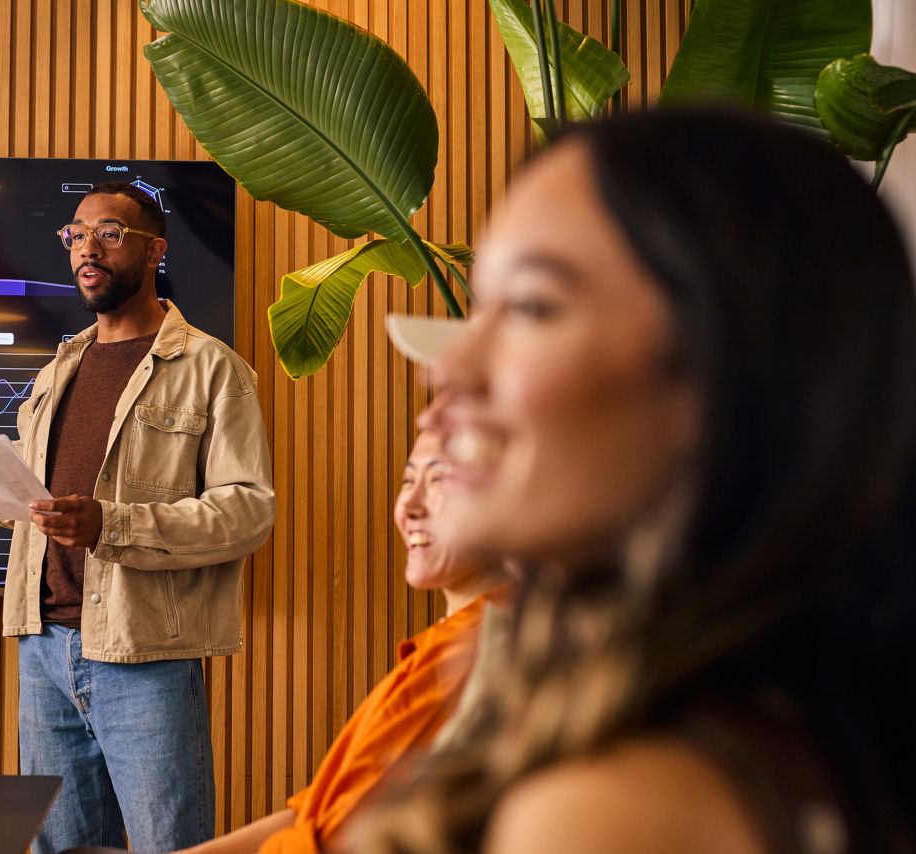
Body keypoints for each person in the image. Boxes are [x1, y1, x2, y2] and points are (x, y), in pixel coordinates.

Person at [368, 109, 916, 853]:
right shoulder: (797, 725)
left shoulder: (606, 813)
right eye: (479, 308)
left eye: (531, 306)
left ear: (719, 370)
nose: (449, 367)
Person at [0, 181, 276, 854]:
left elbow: (249, 513)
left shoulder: (212, 368)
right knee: (60, 847)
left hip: (144, 657)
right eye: (75, 233)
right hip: (43, 651)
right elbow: (9, 500)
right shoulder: (59, 368)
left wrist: (111, 525)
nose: (86, 247)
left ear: (154, 250)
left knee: (169, 846)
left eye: (109, 232)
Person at [178, 431, 513, 854]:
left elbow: (335, 839)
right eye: (408, 480)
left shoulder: (472, 660)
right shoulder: (447, 645)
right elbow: (313, 813)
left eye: (440, 480)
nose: (410, 506)